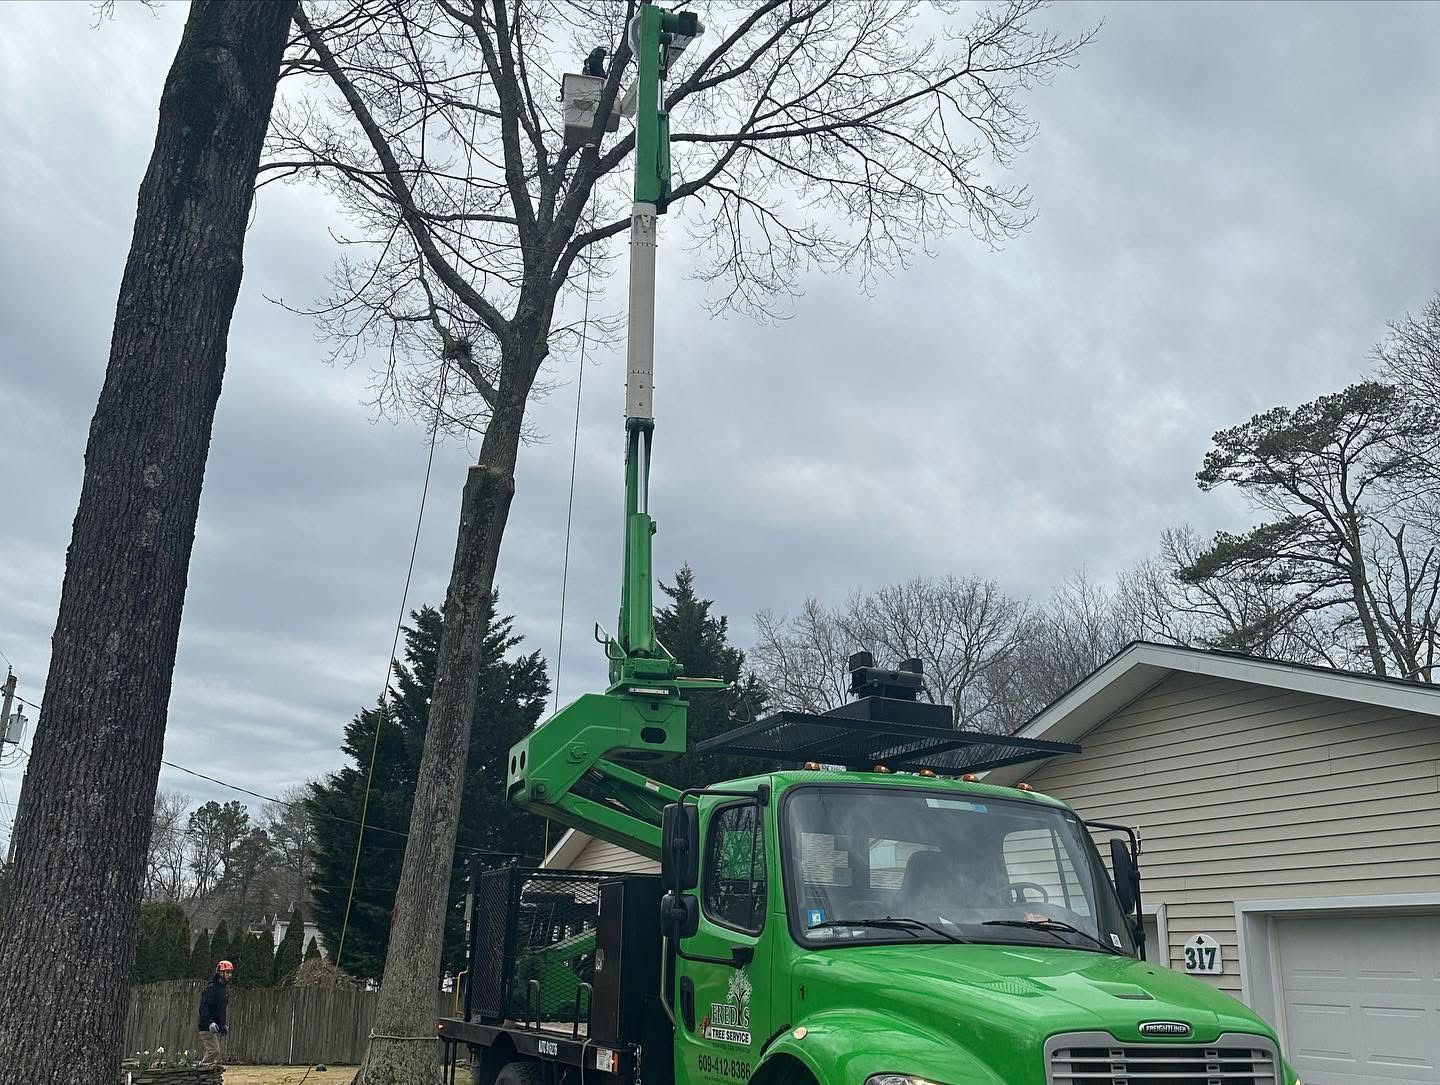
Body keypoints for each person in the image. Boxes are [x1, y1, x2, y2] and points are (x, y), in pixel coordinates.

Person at [197, 959, 234, 1066]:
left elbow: (220, 1010)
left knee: (214, 1052)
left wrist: (222, 1025)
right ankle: (201, 1070)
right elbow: (203, 1009)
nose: (229, 975)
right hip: (206, 1026)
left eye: (230, 973)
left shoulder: (224, 990)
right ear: (220, 973)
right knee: (214, 1051)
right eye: (227, 972)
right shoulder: (211, 988)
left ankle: (206, 1072)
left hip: (215, 1026)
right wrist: (210, 1023)